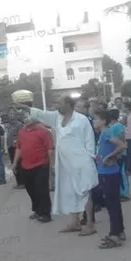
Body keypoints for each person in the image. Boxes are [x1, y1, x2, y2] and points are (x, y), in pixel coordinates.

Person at [14, 95, 98, 233]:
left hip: (80, 162)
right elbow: (41, 114)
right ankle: (74, 223)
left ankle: (90, 224)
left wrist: (89, 160)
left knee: (84, 191)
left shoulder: (81, 120)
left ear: (68, 104)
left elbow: (90, 141)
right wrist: (26, 107)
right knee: (70, 192)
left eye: (59, 103)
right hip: (64, 164)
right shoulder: (57, 117)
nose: (56, 106)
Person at [93, 109, 127, 248]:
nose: (94, 121)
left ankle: (114, 235)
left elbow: (122, 145)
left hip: (109, 173)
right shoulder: (102, 134)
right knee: (114, 203)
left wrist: (109, 156)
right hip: (107, 172)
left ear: (103, 121)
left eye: (96, 119)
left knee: (111, 204)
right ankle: (119, 231)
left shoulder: (106, 133)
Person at [12, 115, 53, 222]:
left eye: (29, 117)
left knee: (42, 189)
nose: (26, 119)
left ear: (35, 118)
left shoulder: (44, 131)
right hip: (26, 165)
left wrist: (51, 166)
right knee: (31, 189)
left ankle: (46, 213)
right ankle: (37, 210)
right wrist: (15, 163)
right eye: (25, 117)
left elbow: (49, 149)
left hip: (41, 164)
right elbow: (19, 148)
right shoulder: (21, 132)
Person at [108, 108, 130, 201]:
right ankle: (121, 192)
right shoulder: (114, 126)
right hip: (117, 152)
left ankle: (124, 193)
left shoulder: (117, 126)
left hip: (120, 153)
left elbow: (122, 138)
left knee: (121, 173)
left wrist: (119, 151)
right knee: (119, 173)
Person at [4, 113, 25, 188]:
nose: (10, 116)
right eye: (10, 114)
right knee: (13, 164)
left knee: (19, 164)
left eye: (12, 114)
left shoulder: (19, 125)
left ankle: (22, 182)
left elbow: (22, 135)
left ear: (16, 116)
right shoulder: (9, 125)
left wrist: (17, 141)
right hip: (10, 147)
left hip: (17, 147)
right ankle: (18, 182)